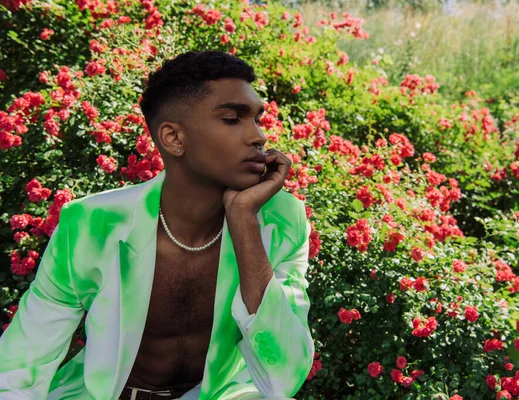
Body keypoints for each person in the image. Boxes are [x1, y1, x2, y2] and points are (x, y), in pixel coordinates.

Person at [0, 50, 314, 400]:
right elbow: (19, 367)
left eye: (257, 119)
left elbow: (284, 374)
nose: (258, 137)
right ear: (174, 139)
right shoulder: (90, 225)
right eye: (232, 119)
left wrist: (244, 224)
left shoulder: (282, 221)